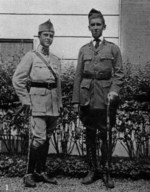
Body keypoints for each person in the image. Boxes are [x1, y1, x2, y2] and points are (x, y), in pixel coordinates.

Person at [72, 8, 124, 188]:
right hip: (87, 97)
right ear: (89, 27)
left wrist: (114, 90)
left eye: (98, 25)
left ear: (104, 26)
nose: (95, 28)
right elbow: (78, 76)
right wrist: (76, 100)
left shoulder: (113, 49)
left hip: (105, 99)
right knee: (90, 135)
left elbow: (119, 74)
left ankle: (106, 172)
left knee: (105, 135)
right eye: (92, 25)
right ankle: (92, 170)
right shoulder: (83, 50)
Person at [13, 19, 62, 188]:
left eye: (51, 35)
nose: (48, 38)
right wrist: (25, 100)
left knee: (46, 138)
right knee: (38, 138)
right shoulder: (31, 56)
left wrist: (60, 104)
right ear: (39, 36)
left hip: (53, 105)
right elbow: (17, 80)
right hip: (37, 104)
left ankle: (41, 172)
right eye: (45, 35)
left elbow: (58, 85)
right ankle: (28, 174)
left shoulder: (55, 59)